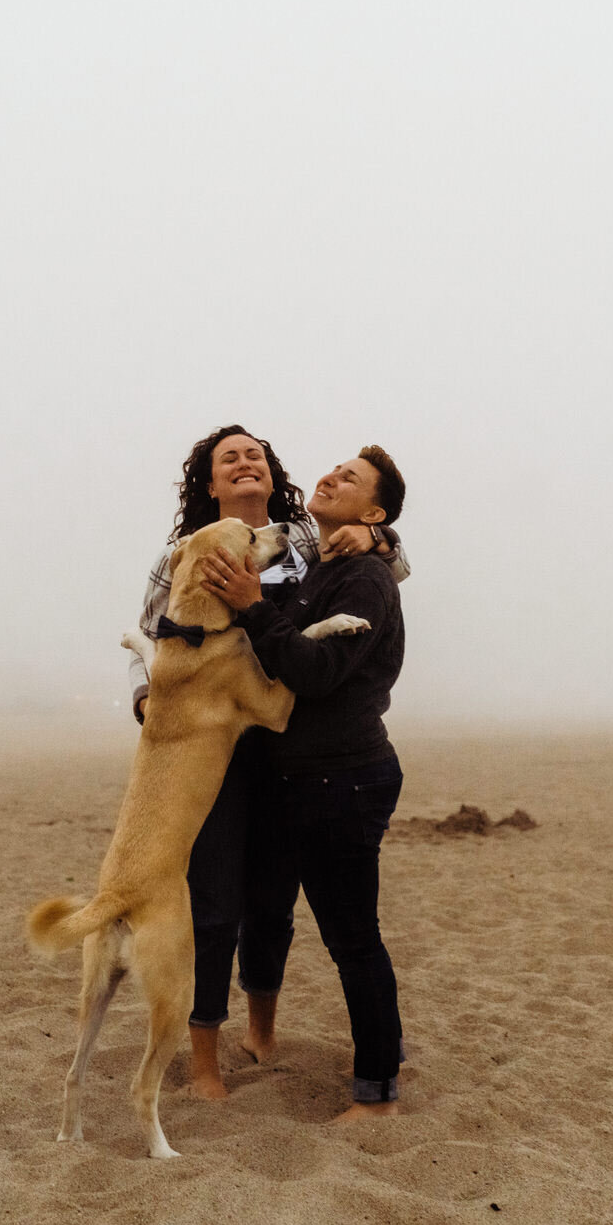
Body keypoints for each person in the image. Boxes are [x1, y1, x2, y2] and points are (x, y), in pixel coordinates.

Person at [128, 426, 410, 1098]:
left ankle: (262, 1032)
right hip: (218, 749)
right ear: (210, 484)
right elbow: (148, 635)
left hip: (291, 745)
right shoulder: (185, 552)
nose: (244, 462)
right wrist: (146, 699)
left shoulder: (306, 537)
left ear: (269, 469)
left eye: (254, 453)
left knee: (273, 906)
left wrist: (380, 538)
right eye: (229, 458)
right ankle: (203, 1063)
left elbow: (385, 571)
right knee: (214, 904)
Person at [204, 446, 407, 1119]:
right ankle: (379, 1056)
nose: (329, 477)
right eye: (331, 469)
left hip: (342, 779)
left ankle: (376, 1095)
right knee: (330, 930)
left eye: (349, 479)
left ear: (373, 509)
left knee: (352, 938)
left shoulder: (363, 576)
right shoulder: (323, 558)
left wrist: (252, 605)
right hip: (308, 777)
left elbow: (316, 672)